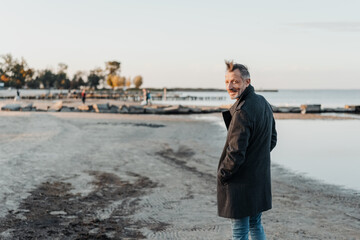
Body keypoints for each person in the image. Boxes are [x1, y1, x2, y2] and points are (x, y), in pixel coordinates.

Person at [217, 61, 277, 240]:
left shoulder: (242, 111)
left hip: (241, 183)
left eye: (235, 81)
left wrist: (223, 174)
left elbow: (235, 153)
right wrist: (256, 158)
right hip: (258, 178)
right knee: (255, 224)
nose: (230, 86)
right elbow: (271, 140)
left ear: (247, 82)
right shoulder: (263, 102)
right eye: (227, 82)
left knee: (240, 231)